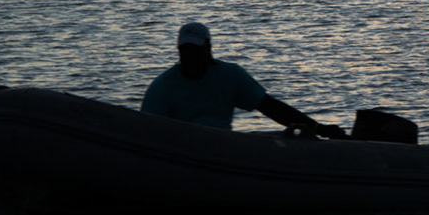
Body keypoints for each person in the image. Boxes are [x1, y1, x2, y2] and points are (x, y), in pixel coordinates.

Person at [142, 22, 345, 138]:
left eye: (195, 50)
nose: (190, 56)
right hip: (184, 149)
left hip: (224, 145)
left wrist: (317, 128)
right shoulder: (163, 87)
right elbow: (149, 132)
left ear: (208, 49)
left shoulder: (229, 75)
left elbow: (270, 107)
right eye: (185, 51)